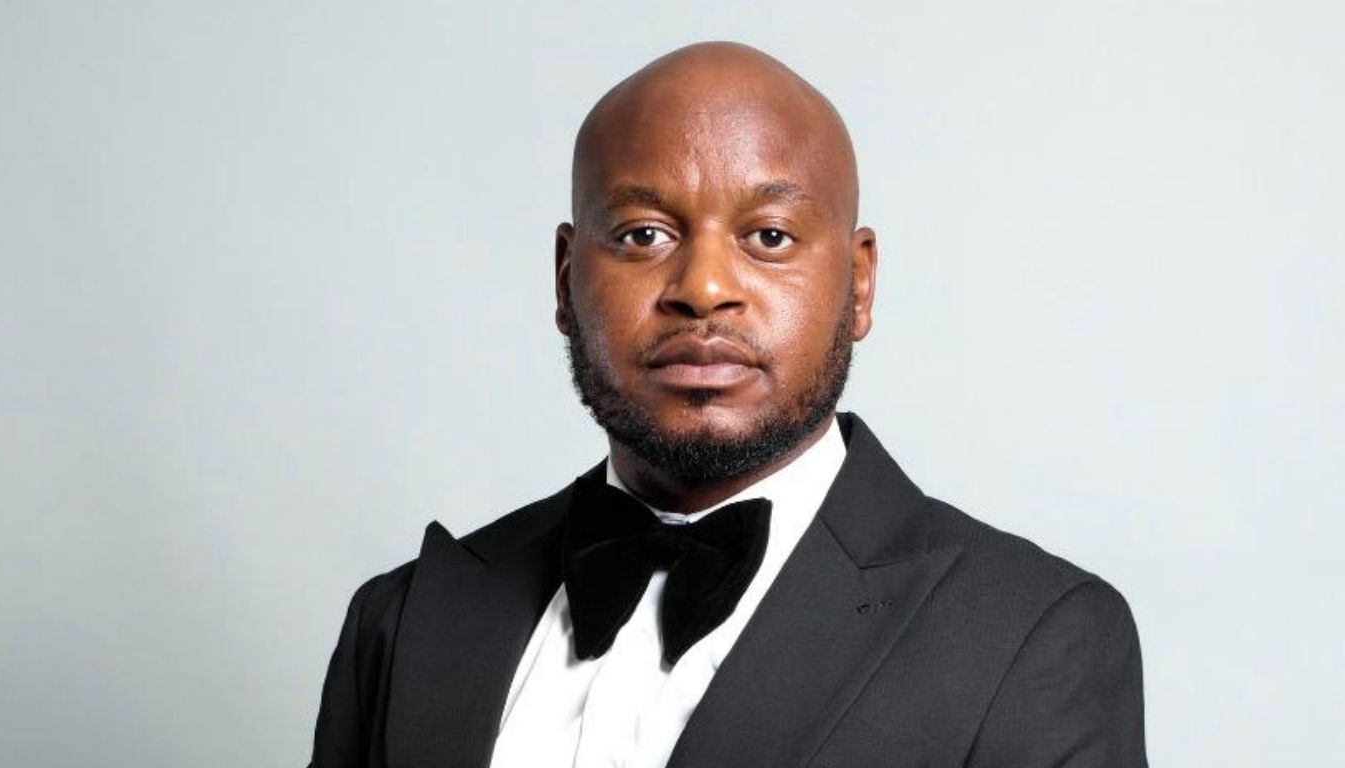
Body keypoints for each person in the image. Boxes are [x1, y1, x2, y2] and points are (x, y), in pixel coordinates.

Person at [309, 42, 1147, 768]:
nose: (704, 288)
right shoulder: (404, 621)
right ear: (565, 282)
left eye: (769, 237)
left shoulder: (1031, 639)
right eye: (643, 234)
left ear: (859, 286)